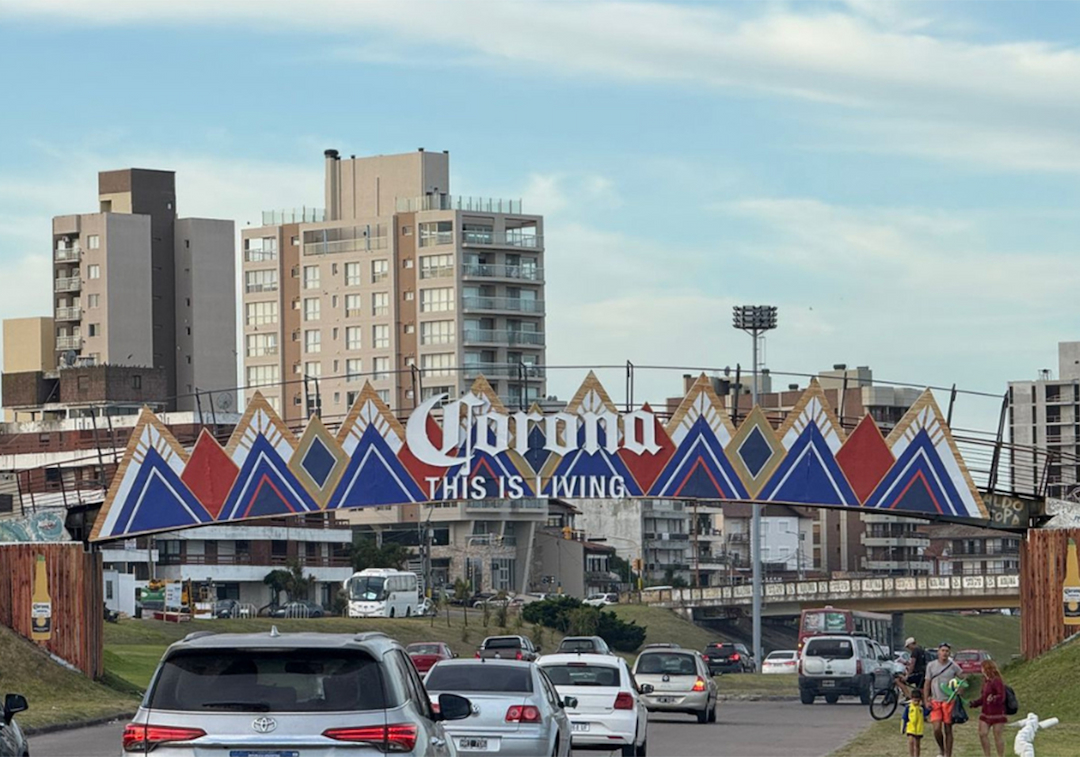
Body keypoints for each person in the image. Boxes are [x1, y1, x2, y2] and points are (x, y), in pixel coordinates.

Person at [923, 642, 964, 757]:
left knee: (948, 729)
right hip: (935, 700)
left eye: (947, 651)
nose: (944, 653)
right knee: (936, 728)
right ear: (938, 652)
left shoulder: (953, 666)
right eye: (943, 651)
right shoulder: (931, 665)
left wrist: (960, 689)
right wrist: (926, 699)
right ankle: (941, 749)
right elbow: (927, 683)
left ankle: (948, 754)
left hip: (948, 701)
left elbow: (963, 678)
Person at [970, 659, 1007, 757]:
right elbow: (983, 698)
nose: (981, 670)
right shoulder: (985, 682)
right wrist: (975, 703)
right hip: (986, 712)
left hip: (997, 713)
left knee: (997, 736)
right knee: (982, 733)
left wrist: (994, 698)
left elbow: (1002, 696)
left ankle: (1000, 755)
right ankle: (987, 755)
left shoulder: (996, 681)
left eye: (982, 667)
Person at [901, 688, 928, 757]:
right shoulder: (909, 707)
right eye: (914, 700)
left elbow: (926, 713)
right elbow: (904, 717)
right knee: (911, 742)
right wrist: (903, 727)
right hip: (911, 728)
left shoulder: (921, 708)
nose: (916, 702)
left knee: (917, 744)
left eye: (918, 701)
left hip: (919, 729)